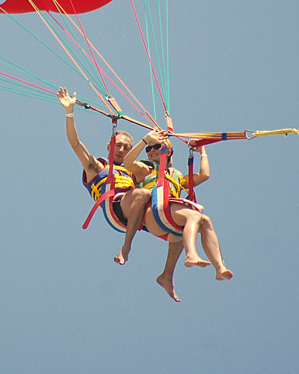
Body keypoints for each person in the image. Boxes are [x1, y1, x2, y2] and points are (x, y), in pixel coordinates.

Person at [58, 88, 186, 301]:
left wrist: (163, 143)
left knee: (180, 227)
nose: (122, 150)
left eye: (127, 148)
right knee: (143, 193)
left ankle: (167, 275)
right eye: (118, 146)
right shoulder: (97, 166)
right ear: (109, 145)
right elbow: (75, 144)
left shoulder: (134, 170)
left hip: (137, 211)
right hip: (116, 209)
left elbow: (163, 169)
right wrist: (69, 112)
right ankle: (126, 248)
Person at [122, 134, 234, 281]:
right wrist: (145, 140)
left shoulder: (177, 176)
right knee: (194, 216)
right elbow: (128, 162)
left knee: (205, 220)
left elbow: (204, 175)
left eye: (156, 146)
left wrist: (202, 151)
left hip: (168, 218)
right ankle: (191, 254)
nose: (151, 151)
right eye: (149, 148)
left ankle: (220, 267)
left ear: (168, 151)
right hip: (153, 213)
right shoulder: (146, 169)